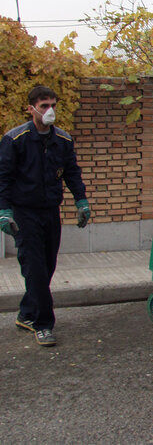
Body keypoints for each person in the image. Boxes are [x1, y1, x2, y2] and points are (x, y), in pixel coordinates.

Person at [0, 86, 91, 347]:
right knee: (35, 269)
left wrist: (81, 201)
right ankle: (43, 325)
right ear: (31, 109)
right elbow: (3, 177)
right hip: (23, 212)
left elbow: (72, 172)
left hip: (50, 211)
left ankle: (26, 314)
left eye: (53, 105)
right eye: (43, 106)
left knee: (47, 267)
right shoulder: (15, 139)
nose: (49, 110)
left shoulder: (62, 140)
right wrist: (4, 211)